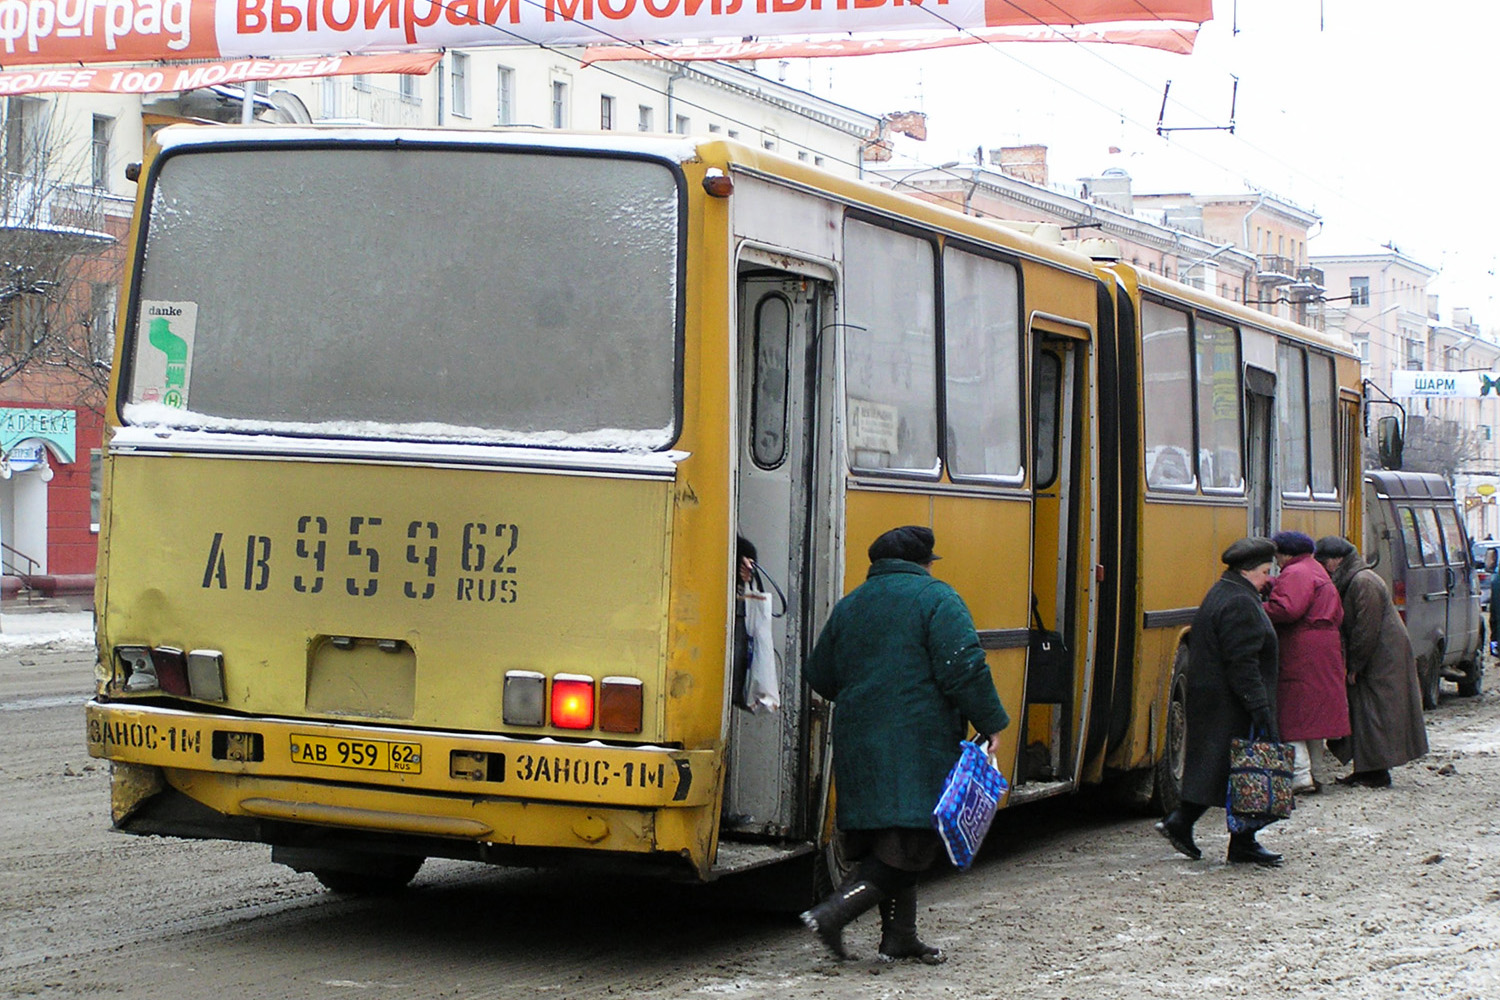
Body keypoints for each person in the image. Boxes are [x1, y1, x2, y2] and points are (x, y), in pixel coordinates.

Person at [800, 525, 1009, 964]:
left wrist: (867, 698)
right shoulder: (937, 599)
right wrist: (990, 722)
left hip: (859, 741)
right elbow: (963, 667)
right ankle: (833, 914)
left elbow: (819, 674)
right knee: (909, 844)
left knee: (891, 840)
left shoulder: (849, 606)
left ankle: (900, 936)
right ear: (924, 564)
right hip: (917, 740)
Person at [1155, 537, 1283, 867]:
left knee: (1220, 771)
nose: (1269, 579)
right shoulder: (1240, 602)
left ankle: (1191, 826)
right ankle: (1236, 841)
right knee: (1244, 772)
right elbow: (1243, 661)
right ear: (1250, 571)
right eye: (1266, 572)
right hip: (1232, 705)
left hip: (1217, 702)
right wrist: (1260, 707)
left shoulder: (1224, 591)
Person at [1314, 535, 1429, 787]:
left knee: (1374, 713)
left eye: (1324, 562)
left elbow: (1366, 629)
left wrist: (1355, 665)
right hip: (1382, 655)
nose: (1323, 568)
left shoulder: (1361, 582)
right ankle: (1369, 769)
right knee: (1370, 712)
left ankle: (1375, 771)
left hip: (1381, 658)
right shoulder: (1360, 578)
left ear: (1336, 560)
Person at [1263, 530, 1349, 794]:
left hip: (1302, 649)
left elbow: (1288, 608)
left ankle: (1300, 775)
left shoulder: (1296, 572)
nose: (1276, 561)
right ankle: (1320, 773)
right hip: (1323, 648)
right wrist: (1271, 584)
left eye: (1277, 554)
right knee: (1315, 716)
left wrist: (1258, 608)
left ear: (1286, 553)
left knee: (1293, 712)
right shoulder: (1313, 568)